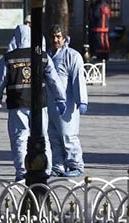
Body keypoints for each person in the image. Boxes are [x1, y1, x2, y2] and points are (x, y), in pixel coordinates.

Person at [0, 24, 66, 182]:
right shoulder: (42, 56)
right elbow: (54, 80)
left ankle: (22, 171)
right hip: (39, 104)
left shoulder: (9, 58)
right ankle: (47, 167)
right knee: (43, 137)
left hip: (18, 103)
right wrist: (60, 98)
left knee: (20, 138)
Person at [47, 24, 89, 178]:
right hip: (50, 105)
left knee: (68, 136)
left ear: (64, 38)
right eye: (53, 36)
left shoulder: (72, 56)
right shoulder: (47, 55)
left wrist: (81, 100)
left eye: (58, 36)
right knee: (53, 136)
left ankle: (75, 164)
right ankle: (57, 165)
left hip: (68, 104)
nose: (55, 39)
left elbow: (79, 80)